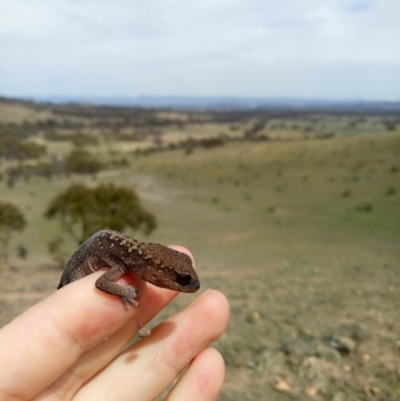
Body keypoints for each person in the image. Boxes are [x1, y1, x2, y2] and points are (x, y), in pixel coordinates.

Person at [0, 246, 229, 400]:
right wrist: (124, 292)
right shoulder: (123, 263)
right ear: (155, 272)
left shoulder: (129, 258)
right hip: (67, 291)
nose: (188, 285)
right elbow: (102, 282)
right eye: (181, 279)